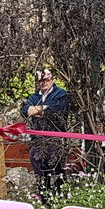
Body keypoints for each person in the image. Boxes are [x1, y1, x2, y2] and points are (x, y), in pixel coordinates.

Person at [20, 69, 69, 199]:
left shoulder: (61, 93)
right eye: (40, 80)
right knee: (41, 175)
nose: (43, 83)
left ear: (52, 79)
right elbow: (25, 111)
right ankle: (44, 202)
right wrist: (44, 109)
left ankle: (61, 200)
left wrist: (37, 110)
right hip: (37, 141)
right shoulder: (34, 97)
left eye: (46, 79)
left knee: (58, 173)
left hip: (55, 140)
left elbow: (56, 110)